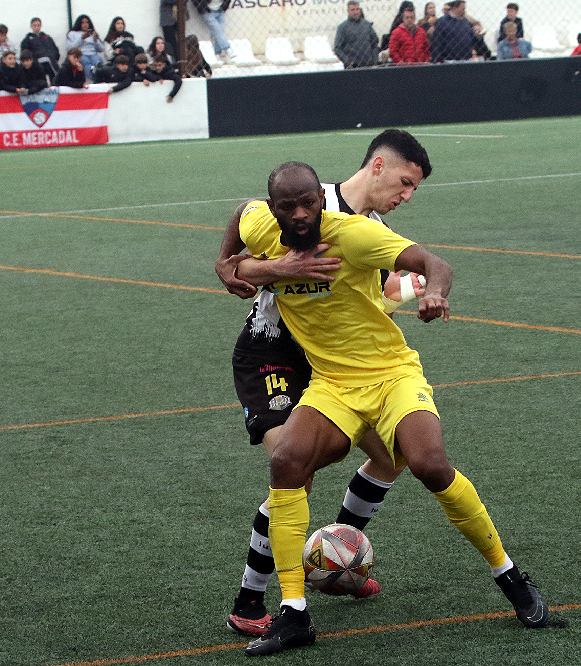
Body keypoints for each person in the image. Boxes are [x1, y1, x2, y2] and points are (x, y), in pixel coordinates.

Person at [229, 160, 549, 656]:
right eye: (287, 206)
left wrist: (436, 294)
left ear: (321, 199)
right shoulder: (260, 225)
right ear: (273, 209)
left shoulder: (353, 235)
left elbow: (434, 264)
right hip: (332, 383)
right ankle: (292, 613)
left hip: (390, 374)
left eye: (308, 203)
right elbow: (239, 217)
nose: (298, 214)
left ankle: (510, 578)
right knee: (286, 462)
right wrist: (230, 264)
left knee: (428, 464)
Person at [216, 130, 435, 637]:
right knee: (297, 467)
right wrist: (243, 266)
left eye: (414, 191)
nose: (406, 196)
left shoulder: (371, 229)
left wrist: (411, 287)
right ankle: (249, 601)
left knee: (391, 456)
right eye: (404, 183)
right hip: (273, 353)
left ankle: (336, 560)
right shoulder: (311, 201)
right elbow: (247, 213)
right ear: (377, 166)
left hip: (335, 364)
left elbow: (370, 295)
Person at [333, 1, 379, 68]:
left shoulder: (367, 25)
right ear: (348, 11)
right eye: (353, 10)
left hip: (369, 64)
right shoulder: (342, 27)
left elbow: (374, 44)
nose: (355, 12)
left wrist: (374, 60)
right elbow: (337, 48)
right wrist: (348, 62)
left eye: (357, 9)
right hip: (353, 67)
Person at [66, 15, 105, 82]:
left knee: (97, 61)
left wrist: (96, 40)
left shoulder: (92, 34)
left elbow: (101, 49)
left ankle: (98, 75)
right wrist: (81, 38)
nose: (85, 25)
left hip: (93, 54)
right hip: (81, 54)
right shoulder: (73, 33)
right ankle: (93, 78)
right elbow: (70, 48)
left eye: (87, 22)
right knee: (86, 63)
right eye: (83, 23)